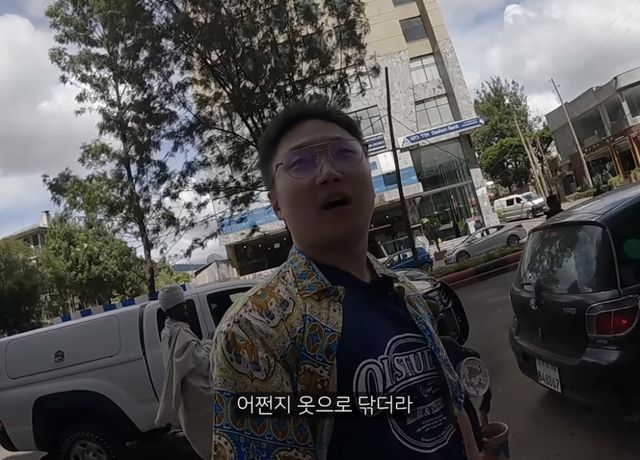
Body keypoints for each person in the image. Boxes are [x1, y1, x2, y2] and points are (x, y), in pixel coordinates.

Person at [210, 104, 482, 460]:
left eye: (344, 153)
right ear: (276, 203)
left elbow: (451, 409)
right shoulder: (252, 331)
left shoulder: (404, 292)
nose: (328, 172)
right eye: (301, 163)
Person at [155, 284, 213, 460]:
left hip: (188, 402)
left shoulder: (168, 331)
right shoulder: (181, 335)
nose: (185, 309)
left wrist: (203, 345)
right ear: (169, 310)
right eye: (180, 306)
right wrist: (211, 346)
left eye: (184, 305)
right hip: (201, 400)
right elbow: (202, 365)